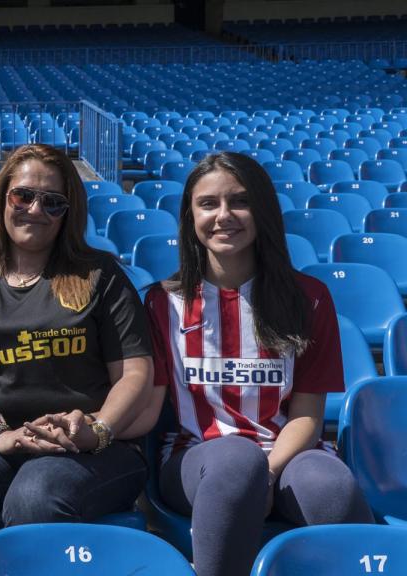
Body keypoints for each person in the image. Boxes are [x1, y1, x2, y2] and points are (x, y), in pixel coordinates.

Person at [0, 144, 160, 571]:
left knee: (35, 497)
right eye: (22, 196)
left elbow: (136, 373)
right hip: (1, 436)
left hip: (92, 445)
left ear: (68, 213)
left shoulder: (99, 275)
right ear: (1, 199)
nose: (35, 209)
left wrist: (97, 430)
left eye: (53, 202)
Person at [144, 152, 374, 576]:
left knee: (330, 487)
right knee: (234, 461)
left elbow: (307, 416)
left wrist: (266, 473)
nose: (224, 215)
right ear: (190, 215)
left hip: (286, 453)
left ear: (263, 210)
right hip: (195, 458)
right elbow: (150, 407)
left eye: (240, 201)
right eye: (208, 203)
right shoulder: (161, 303)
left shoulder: (309, 298)